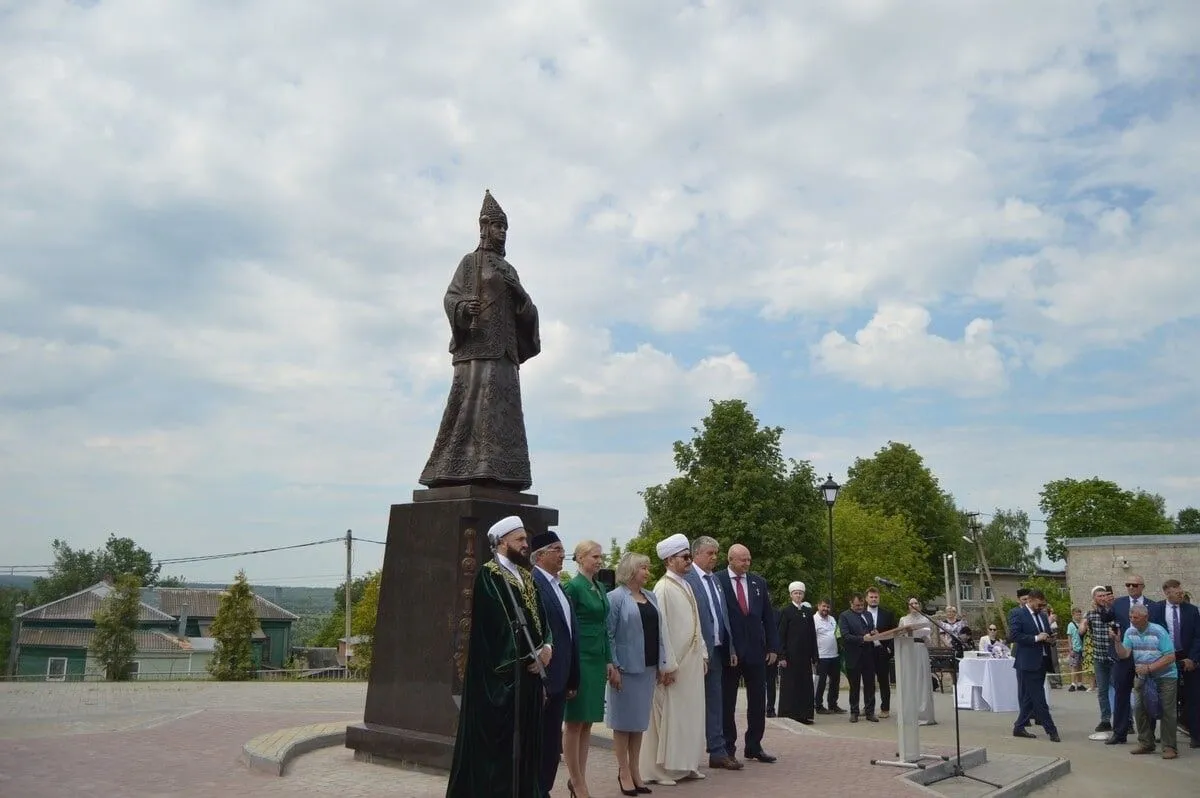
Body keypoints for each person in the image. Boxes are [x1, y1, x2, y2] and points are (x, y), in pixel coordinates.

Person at [420, 190, 541, 491]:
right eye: (498, 226)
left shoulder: (509, 270)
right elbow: (451, 297)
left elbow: (528, 313)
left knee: (503, 411)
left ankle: (503, 469)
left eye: (505, 228)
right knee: (470, 405)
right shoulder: (470, 263)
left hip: (504, 356)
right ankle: (454, 466)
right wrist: (462, 309)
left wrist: (521, 295)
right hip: (475, 350)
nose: (501, 232)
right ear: (484, 226)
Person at [447, 516, 554, 798]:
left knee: (529, 747)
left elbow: (542, 620)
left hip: (530, 676)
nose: (525, 545)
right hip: (501, 681)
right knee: (502, 751)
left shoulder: (526, 577)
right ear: (503, 542)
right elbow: (500, 627)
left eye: (526, 540)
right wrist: (526, 657)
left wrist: (547, 649)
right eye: (519, 540)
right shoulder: (490, 575)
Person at [641, 534, 708, 785]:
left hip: (691, 665)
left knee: (690, 715)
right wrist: (666, 665)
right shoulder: (663, 588)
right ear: (670, 560)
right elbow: (662, 630)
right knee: (669, 716)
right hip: (675, 666)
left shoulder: (687, 584)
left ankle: (687, 764)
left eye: (690, 556)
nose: (689, 561)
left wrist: (702, 653)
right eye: (685, 557)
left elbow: (696, 624)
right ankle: (663, 770)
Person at [606, 552, 666, 796]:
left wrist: (662, 664)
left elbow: (659, 632)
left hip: (648, 667)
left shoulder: (650, 596)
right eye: (643, 568)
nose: (647, 572)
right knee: (623, 724)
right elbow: (608, 633)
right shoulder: (615, 598)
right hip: (625, 669)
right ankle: (623, 772)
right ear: (631, 570)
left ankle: (635, 769)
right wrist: (614, 666)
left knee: (639, 724)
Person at [682, 536, 742, 770]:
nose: (715, 557)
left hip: (717, 650)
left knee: (715, 702)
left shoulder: (716, 581)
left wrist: (731, 647)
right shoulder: (687, 579)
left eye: (716, 553)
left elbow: (723, 616)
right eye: (710, 553)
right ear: (696, 554)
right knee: (691, 703)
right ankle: (686, 754)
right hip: (695, 652)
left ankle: (717, 751)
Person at [718, 544, 780, 763]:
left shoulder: (758, 583)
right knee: (727, 701)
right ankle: (727, 747)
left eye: (749, 560)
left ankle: (754, 745)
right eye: (742, 560)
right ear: (730, 559)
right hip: (730, 652)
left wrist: (773, 647)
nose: (747, 563)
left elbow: (768, 617)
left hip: (756, 651)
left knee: (757, 700)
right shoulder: (718, 581)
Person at [530, 531, 580, 798]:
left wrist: (573, 677)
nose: (563, 554)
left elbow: (570, 634)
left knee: (552, 742)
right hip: (543, 678)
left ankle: (544, 788)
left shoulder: (559, 586)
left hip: (561, 678)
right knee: (540, 740)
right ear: (540, 555)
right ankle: (536, 789)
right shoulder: (533, 584)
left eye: (562, 549)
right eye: (557, 549)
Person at [561, 540, 610, 798]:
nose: (599, 561)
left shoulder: (599, 586)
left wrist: (609, 660)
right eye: (594, 556)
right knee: (574, 722)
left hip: (598, 659)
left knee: (588, 722)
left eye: (600, 556)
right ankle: (576, 781)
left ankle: (579, 776)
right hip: (580, 659)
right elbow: (566, 625)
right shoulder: (574, 587)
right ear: (580, 558)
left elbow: (605, 627)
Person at [1113, 603, 1178, 758]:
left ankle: (1169, 747)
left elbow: (1170, 656)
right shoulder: (1129, 631)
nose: (1132, 620)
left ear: (1146, 617)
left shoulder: (1158, 631)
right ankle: (1146, 743)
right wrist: (1117, 641)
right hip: (1143, 677)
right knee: (1139, 709)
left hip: (1165, 676)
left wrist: (1149, 668)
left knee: (1168, 711)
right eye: (1131, 617)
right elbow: (1124, 654)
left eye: (1136, 617)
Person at [1149, 579, 1200, 747]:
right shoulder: (1156, 609)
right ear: (1167, 592)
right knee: (1167, 699)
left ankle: (1196, 735)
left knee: (1193, 698)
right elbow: (1152, 636)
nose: (1180, 593)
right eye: (1176, 591)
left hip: (1188, 659)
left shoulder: (1191, 610)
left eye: (1181, 591)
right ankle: (1166, 736)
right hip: (1165, 659)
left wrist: (1192, 659)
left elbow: (1197, 636)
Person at [1009, 589, 1061, 743]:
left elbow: (1046, 634)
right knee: (1038, 697)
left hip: (1042, 661)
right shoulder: (1017, 614)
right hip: (1027, 662)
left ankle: (1019, 726)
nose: (1041, 607)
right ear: (1030, 601)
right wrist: (1036, 638)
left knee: (1029, 697)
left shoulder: (1043, 616)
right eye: (1039, 604)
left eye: (1043, 605)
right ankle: (1051, 730)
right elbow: (1014, 635)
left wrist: (1050, 639)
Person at [1110, 575, 1151, 743]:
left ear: (1142, 586)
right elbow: (1107, 618)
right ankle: (1119, 733)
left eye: (1134, 585)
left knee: (1148, 695)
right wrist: (1100, 607)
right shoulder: (1117, 603)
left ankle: (1149, 734)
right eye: (1128, 584)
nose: (1131, 587)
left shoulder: (1153, 605)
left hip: (1145, 657)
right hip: (1123, 655)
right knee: (1121, 694)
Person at [777, 581, 818, 724]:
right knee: (790, 686)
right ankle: (789, 714)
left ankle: (804, 715)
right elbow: (781, 635)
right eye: (796, 593)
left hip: (805, 657)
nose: (798, 595)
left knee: (805, 686)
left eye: (800, 593)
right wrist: (781, 655)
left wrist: (815, 655)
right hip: (790, 657)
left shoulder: (808, 612)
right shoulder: (786, 611)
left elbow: (812, 634)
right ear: (791, 595)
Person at [1080, 585, 1117, 736]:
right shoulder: (1090, 614)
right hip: (1099, 658)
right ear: (1094, 599)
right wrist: (1082, 627)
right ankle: (1106, 720)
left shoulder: (1115, 611)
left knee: (1120, 689)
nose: (1102, 598)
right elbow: (1081, 629)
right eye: (1099, 596)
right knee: (1102, 691)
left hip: (1115, 658)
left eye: (1104, 595)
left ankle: (1126, 721)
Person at [838, 592, 879, 723]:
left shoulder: (868, 614)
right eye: (857, 605)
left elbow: (871, 629)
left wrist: (874, 632)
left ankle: (870, 712)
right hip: (853, 655)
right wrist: (862, 639)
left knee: (870, 685)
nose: (860, 607)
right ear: (851, 604)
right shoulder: (845, 616)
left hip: (868, 655)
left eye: (862, 605)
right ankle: (854, 712)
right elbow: (845, 636)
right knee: (854, 686)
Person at [898, 597, 936, 725]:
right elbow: (899, 636)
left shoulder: (925, 619)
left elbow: (928, 638)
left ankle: (924, 714)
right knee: (909, 679)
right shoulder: (903, 619)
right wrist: (906, 632)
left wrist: (923, 634)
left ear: (919, 605)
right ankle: (909, 713)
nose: (914, 605)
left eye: (916, 603)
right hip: (908, 650)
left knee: (922, 680)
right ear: (908, 606)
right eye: (911, 603)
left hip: (920, 648)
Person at [864, 587, 896, 718]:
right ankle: (868, 707)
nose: (873, 599)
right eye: (871, 597)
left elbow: (894, 632)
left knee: (883, 681)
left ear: (879, 598)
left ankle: (885, 708)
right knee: (868, 681)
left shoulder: (887, 614)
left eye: (875, 597)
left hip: (881, 651)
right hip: (866, 651)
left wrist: (889, 649)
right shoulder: (860, 614)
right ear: (866, 598)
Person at [813, 599, 844, 714]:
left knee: (835, 681)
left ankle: (833, 704)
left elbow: (837, 634)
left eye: (828, 607)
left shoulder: (832, 619)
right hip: (821, 656)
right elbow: (811, 639)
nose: (826, 609)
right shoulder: (814, 619)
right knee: (821, 682)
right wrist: (814, 657)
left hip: (834, 655)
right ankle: (818, 705)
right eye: (824, 606)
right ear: (818, 606)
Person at [1066, 608, 1087, 692]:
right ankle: (1073, 684)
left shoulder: (1083, 624)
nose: (1078, 616)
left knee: (1080, 666)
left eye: (1079, 614)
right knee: (1073, 666)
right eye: (1076, 614)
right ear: (1073, 615)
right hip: (1075, 648)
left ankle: (1080, 683)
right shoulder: (1071, 625)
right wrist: (1070, 649)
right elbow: (1069, 637)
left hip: (1082, 648)